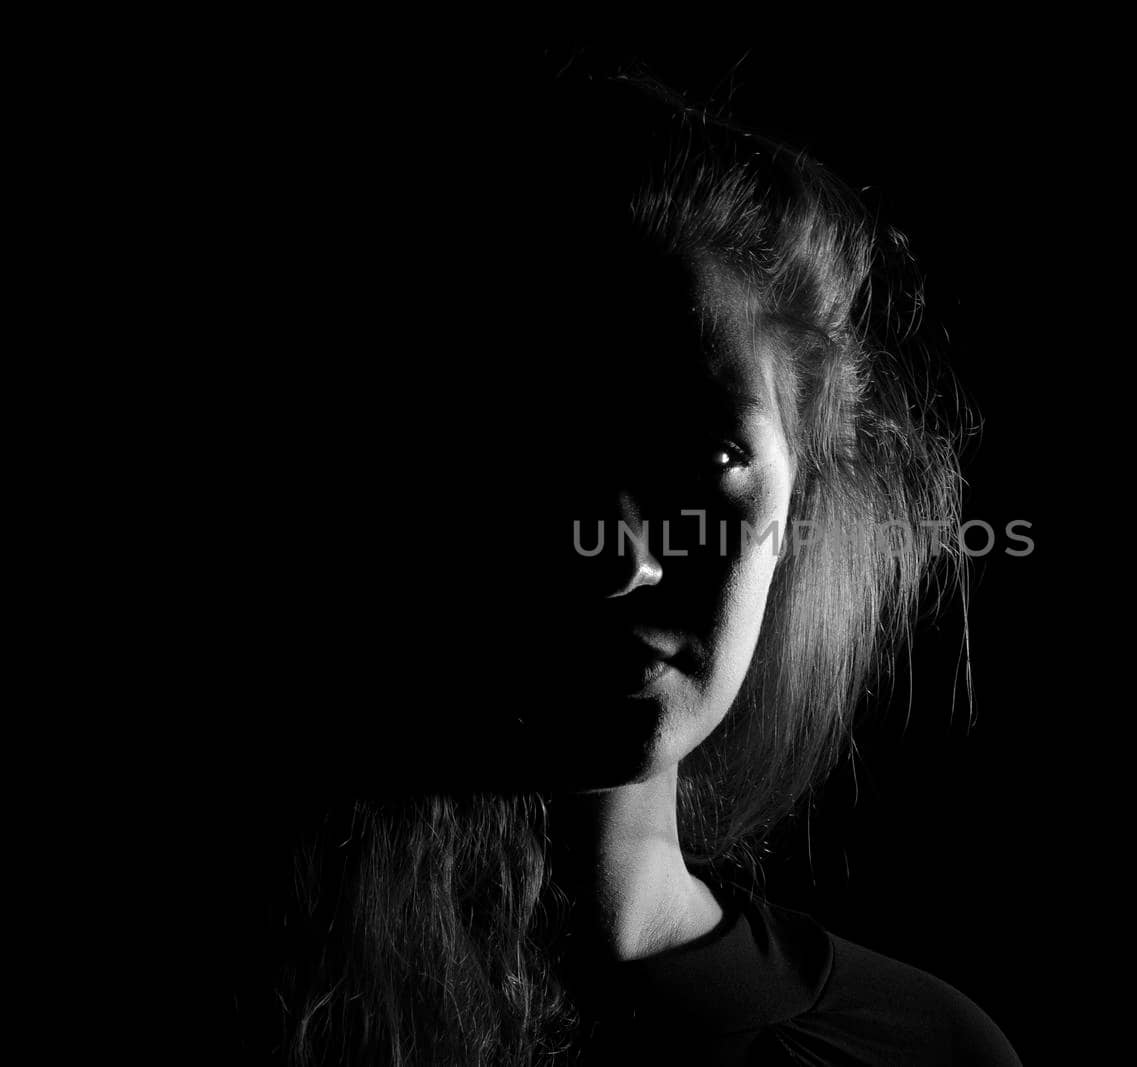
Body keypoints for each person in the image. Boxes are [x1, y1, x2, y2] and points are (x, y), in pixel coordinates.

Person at [258, 66, 1021, 1065]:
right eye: (541, 453)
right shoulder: (266, 1006)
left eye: (705, 458)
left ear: (799, 498)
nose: (622, 557)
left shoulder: (919, 1049)